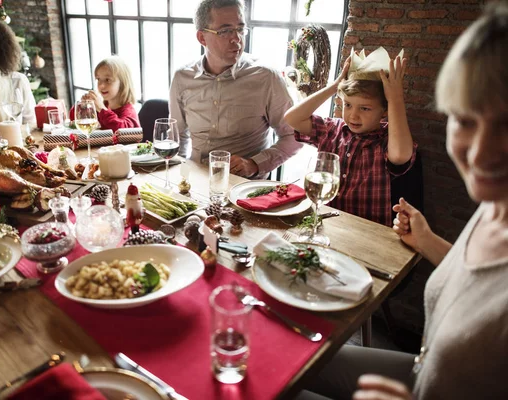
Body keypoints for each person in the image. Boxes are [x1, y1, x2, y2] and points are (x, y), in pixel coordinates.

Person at [297, 3, 508, 399]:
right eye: (464, 119)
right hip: (423, 370)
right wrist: (427, 241)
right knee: (295, 358)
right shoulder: (492, 210)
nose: (479, 153)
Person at [169, 0, 301, 179]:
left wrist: (255, 164)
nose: (236, 38)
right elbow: (177, 137)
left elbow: (296, 135)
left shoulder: (266, 77)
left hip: (244, 189)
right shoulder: (182, 78)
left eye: (240, 29)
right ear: (201, 38)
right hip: (196, 182)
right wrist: (179, 177)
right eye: (225, 31)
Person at [284, 49, 416, 226]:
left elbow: (400, 155)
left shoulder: (387, 139)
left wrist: (395, 98)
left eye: (364, 108)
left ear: (385, 111)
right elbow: (292, 118)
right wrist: (334, 86)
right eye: (348, 105)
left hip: (366, 233)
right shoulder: (332, 129)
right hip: (326, 224)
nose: (353, 116)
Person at [68, 56, 140, 131]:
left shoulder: (128, 110)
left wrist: (102, 109)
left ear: (122, 83)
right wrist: (82, 107)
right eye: (98, 79)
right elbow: (74, 120)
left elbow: (124, 131)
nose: (101, 85)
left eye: (107, 80)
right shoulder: (101, 107)